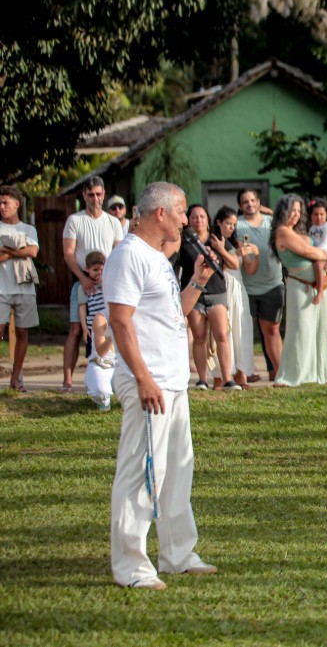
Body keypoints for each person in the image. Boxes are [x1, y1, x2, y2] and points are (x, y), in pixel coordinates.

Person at [105, 180, 219, 591]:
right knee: (141, 473)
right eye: (181, 212)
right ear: (160, 214)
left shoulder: (156, 257)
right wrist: (142, 378)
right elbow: (120, 321)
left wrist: (198, 281)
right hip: (148, 382)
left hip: (173, 382)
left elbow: (174, 313)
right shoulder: (128, 256)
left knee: (176, 472)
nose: (186, 220)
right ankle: (132, 566)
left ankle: (177, 554)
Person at [62, 176, 124, 393]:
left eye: (98, 194)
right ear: (84, 196)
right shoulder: (74, 221)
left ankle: (108, 374)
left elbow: (118, 253)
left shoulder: (113, 222)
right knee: (76, 328)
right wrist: (83, 277)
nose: (95, 199)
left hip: (107, 284)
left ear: (104, 194)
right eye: (90, 195)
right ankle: (68, 380)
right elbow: (68, 253)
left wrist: (106, 277)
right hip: (82, 281)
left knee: (109, 326)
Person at [271, 194, 327, 387]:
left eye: (299, 212)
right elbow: (309, 252)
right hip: (299, 285)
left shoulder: (296, 232)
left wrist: (325, 259)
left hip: (318, 285)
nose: (296, 215)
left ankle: (322, 373)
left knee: (321, 329)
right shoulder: (282, 232)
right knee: (300, 329)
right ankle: (291, 375)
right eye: (292, 211)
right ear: (284, 211)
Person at [177, 204, 239, 391]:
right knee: (199, 337)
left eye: (202, 216)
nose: (198, 220)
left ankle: (227, 378)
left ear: (208, 219)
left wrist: (221, 249)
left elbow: (235, 263)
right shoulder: (183, 241)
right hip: (195, 295)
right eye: (194, 217)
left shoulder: (216, 238)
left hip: (217, 292)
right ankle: (202, 379)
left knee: (222, 335)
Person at [235, 188, 283, 381]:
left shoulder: (272, 223)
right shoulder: (237, 226)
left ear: (259, 202)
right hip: (246, 287)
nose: (250, 204)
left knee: (271, 330)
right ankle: (244, 373)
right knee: (243, 332)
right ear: (240, 206)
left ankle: (280, 373)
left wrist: (270, 212)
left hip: (273, 283)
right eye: (245, 202)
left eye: (253, 200)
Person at [0, 185, 39, 392]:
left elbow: (32, 251)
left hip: (24, 287)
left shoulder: (28, 229)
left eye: (5, 202)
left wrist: (6, 250)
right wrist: (18, 250)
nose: (1, 206)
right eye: (0, 203)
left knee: (23, 332)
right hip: (1, 288)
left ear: (17, 204)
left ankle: (16, 378)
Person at [214, 207, 257, 389]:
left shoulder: (236, 243)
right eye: (227, 223)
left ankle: (242, 374)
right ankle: (220, 377)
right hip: (223, 285)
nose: (231, 227)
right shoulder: (215, 241)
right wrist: (228, 253)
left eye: (233, 224)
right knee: (225, 331)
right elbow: (224, 264)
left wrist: (254, 254)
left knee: (242, 329)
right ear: (219, 223)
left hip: (239, 287)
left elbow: (249, 268)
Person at [79, 252, 116, 410]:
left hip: (108, 322)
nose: (99, 273)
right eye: (95, 270)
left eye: (102, 269)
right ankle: (97, 385)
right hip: (96, 326)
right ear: (87, 270)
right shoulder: (85, 287)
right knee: (96, 357)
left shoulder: (108, 282)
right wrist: (84, 327)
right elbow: (82, 307)